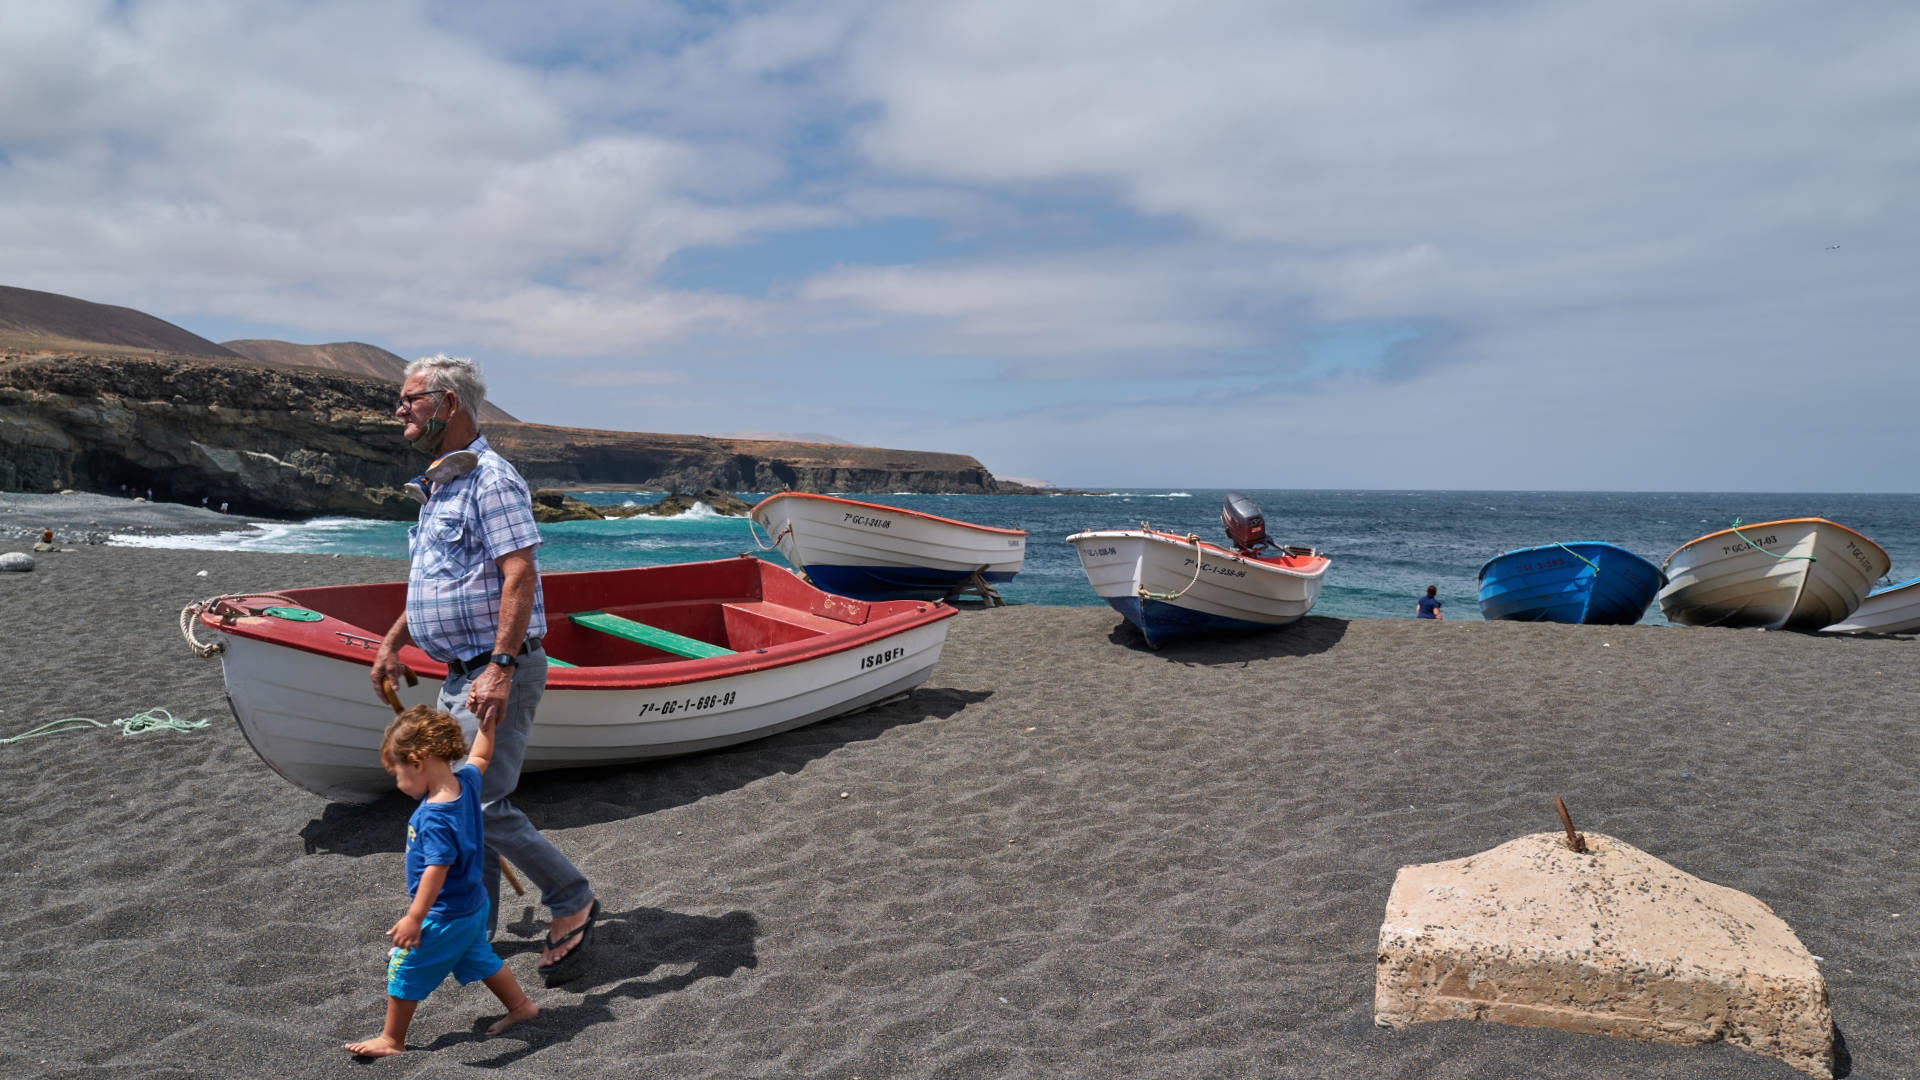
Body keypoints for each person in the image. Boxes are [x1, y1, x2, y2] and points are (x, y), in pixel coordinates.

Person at [370, 354, 599, 979]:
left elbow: (519, 573)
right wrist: (394, 639)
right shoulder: (443, 482)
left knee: (479, 806)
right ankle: (480, 937)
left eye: (411, 398)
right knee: (466, 805)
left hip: (496, 669)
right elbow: (434, 581)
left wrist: (498, 666)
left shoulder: (493, 479)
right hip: (455, 674)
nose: (400, 409)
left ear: (448, 404)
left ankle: (571, 898)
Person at [345, 705, 537, 1056]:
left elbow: (437, 870)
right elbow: (481, 754)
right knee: (479, 957)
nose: (400, 784)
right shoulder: (466, 782)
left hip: (444, 914)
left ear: (417, 762)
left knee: (404, 969)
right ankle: (521, 1007)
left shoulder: (434, 817)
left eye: (398, 774)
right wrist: (487, 724)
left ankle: (392, 1040)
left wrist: (415, 918)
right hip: (473, 904)